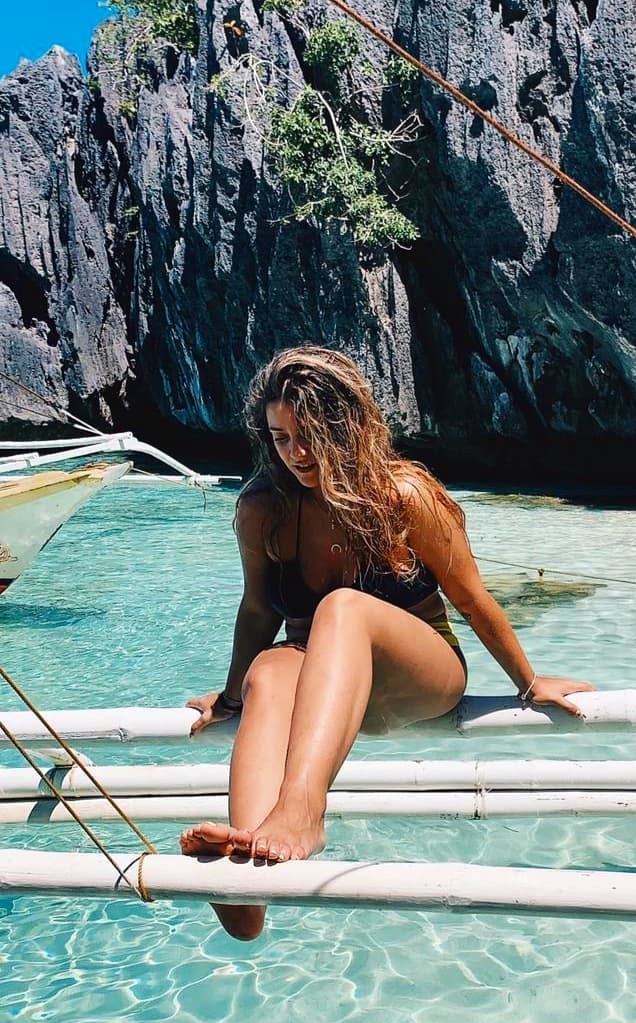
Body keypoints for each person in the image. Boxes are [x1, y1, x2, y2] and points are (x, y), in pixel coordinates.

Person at [180, 346, 593, 940]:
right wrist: (229, 697)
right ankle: (245, 886)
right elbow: (258, 609)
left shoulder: (404, 496)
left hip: (419, 676)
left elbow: (471, 598)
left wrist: (528, 683)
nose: (296, 453)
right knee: (269, 669)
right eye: (281, 438)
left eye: (310, 436)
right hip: (325, 692)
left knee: (342, 607)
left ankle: (302, 810)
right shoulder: (264, 507)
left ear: (348, 427)